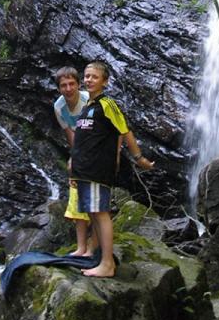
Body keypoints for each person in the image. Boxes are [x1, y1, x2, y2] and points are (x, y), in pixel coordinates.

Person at [71, 60, 154, 277]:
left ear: (105, 82)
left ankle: (108, 264)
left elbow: (124, 130)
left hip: (97, 170)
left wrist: (139, 158)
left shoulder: (107, 104)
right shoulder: (88, 106)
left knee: (101, 213)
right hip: (84, 170)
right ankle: (97, 255)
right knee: (92, 212)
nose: (89, 80)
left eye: (94, 77)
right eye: (87, 76)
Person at [53, 65, 92, 256]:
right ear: (59, 88)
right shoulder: (59, 107)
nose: (68, 89)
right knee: (77, 200)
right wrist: (74, 158)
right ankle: (81, 247)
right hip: (81, 151)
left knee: (96, 204)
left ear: (78, 84)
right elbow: (71, 135)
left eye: (71, 84)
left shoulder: (89, 101)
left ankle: (93, 247)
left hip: (97, 149)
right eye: (63, 85)